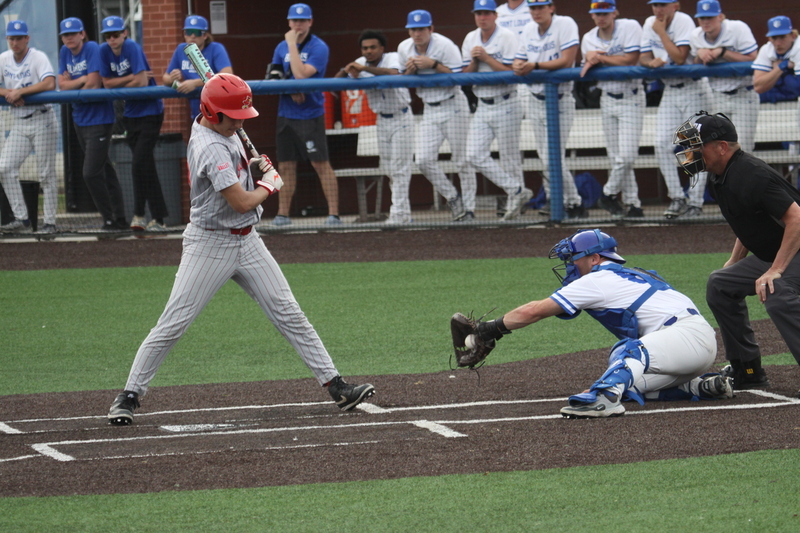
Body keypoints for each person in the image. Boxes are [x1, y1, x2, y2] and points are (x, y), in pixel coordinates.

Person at [107, 74, 375, 425]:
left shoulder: (222, 128)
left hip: (247, 242)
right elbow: (241, 201)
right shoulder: (210, 146)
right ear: (212, 113)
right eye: (233, 116)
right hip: (210, 244)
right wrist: (267, 184)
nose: (239, 123)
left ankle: (336, 386)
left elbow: (237, 179)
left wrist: (251, 168)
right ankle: (129, 394)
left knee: (290, 313)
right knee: (174, 323)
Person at [465, 228, 730, 418]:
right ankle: (701, 386)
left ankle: (604, 401)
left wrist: (489, 329)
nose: (570, 266)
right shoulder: (630, 273)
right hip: (692, 346)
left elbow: (535, 311)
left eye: (574, 259)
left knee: (625, 351)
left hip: (682, 339)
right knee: (628, 382)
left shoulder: (597, 279)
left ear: (595, 258)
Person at [674, 112, 800, 398]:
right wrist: (734, 262)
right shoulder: (722, 175)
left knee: (776, 290)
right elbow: (748, 222)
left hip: (794, 249)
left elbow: (797, 219)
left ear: (721, 147)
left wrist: (776, 269)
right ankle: (749, 371)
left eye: (697, 145)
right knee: (720, 283)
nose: (690, 152)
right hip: (783, 251)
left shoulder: (751, 174)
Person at [397, 10, 473, 221]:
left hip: (453, 104)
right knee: (422, 159)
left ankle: (470, 209)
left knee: (462, 161)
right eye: (413, 29)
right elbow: (403, 81)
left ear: (431, 29)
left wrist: (434, 65)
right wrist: (409, 72)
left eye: (421, 29)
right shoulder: (404, 47)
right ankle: (453, 197)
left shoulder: (445, 45)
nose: (417, 33)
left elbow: (460, 79)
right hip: (429, 108)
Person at [513, 0, 585, 220]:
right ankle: (568, 202)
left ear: (551, 8)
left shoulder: (565, 24)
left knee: (552, 157)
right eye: (533, 8)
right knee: (546, 156)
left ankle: (570, 201)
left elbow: (567, 60)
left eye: (541, 7)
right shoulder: (527, 29)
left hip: (560, 99)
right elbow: (519, 58)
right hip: (535, 99)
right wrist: (518, 65)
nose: (537, 12)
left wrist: (534, 66)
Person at [270, 3, 340, 226]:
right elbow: (273, 78)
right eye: (294, 21)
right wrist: (290, 91)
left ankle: (334, 214)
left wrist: (292, 44)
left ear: (310, 22)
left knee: (320, 163)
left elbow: (302, 75)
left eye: (302, 21)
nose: (298, 25)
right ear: (289, 23)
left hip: (311, 114)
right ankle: (283, 214)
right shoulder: (280, 47)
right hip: (286, 114)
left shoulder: (319, 47)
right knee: (286, 165)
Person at [462, 0, 532, 221]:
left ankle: (515, 206)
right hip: (483, 103)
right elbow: (465, 74)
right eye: (478, 13)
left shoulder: (507, 37)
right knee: (473, 154)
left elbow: (513, 73)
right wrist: (475, 61)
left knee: (510, 158)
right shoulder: (470, 38)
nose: (482, 17)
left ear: (495, 15)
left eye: (486, 13)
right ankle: (517, 190)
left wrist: (487, 59)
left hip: (507, 101)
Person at [335, 30, 414, 225]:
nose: (368, 51)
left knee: (400, 169)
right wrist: (347, 70)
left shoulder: (392, 57)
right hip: (382, 121)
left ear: (381, 48)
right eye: (365, 48)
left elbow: (393, 73)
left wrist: (362, 68)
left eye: (372, 47)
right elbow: (336, 83)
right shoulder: (360, 61)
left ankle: (397, 215)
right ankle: (404, 214)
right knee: (390, 169)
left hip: (402, 116)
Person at [99, 16, 169, 234]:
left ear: (125, 33)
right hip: (130, 114)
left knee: (138, 163)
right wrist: (131, 77)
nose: (112, 39)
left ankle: (139, 214)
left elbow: (141, 82)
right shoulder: (104, 51)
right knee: (145, 165)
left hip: (151, 112)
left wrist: (127, 80)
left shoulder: (132, 47)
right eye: (108, 36)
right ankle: (157, 218)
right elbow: (106, 83)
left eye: (116, 34)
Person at [640, 0, 709, 219]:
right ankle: (677, 197)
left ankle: (695, 202)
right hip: (670, 90)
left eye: (663, 4)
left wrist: (660, 32)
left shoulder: (683, 20)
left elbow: (680, 57)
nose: (658, 10)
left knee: (692, 146)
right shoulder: (649, 22)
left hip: (693, 88)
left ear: (675, 5)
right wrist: (651, 63)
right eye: (655, 5)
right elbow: (643, 56)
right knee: (661, 143)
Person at [58, 17, 128, 235]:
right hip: (80, 119)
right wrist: (81, 81)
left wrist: (75, 83)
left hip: (100, 119)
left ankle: (109, 220)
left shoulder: (92, 49)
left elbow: (94, 83)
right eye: (65, 35)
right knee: (104, 170)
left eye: (73, 34)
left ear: (82, 34)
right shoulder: (64, 52)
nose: (69, 38)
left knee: (90, 173)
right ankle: (120, 220)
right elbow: (61, 84)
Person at [580, 0, 645, 219]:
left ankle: (607, 195)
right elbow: (588, 62)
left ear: (615, 12)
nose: (601, 17)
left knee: (626, 156)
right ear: (592, 16)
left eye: (606, 13)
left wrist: (602, 59)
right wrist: (596, 58)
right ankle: (633, 204)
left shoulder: (630, 26)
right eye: (597, 14)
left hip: (631, 97)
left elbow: (631, 59)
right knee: (617, 157)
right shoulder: (589, 37)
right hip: (607, 99)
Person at [0, 20, 59, 235]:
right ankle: (22, 220)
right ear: (8, 39)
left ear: (27, 38)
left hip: (42, 119)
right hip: (19, 123)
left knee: (46, 174)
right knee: (4, 167)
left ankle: (49, 223)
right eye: (11, 38)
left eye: (19, 38)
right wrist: (7, 92)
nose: (15, 42)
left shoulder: (38, 57)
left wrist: (21, 92)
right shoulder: (4, 59)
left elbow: (49, 83)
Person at [690, 0, 758, 157]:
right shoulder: (696, 36)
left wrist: (723, 52)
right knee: (720, 149)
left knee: (743, 149)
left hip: (743, 94)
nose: (706, 22)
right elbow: (694, 65)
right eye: (702, 18)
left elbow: (753, 59)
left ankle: (743, 182)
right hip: (718, 96)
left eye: (710, 17)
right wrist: (700, 54)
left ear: (720, 16)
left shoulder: (737, 28)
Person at [163, 15, 233, 120]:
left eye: (196, 32)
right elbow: (165, 79)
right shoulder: (181, 49)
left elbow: (227, 75)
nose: (192, 36)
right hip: (196, 108)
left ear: (204, 35)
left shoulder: (216, 48)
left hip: (217, 106)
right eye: (188, 32)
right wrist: (173, 79)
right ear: (184, 34)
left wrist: (195, 83)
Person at [752, 16, 799, 103]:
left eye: (782, 37)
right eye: (774, 38)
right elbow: (758, 87)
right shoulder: (767, 49)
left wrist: (782, 73)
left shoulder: (798, 47)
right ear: (769, 39)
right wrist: (782, 67)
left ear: (793, 36)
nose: (777, 43)